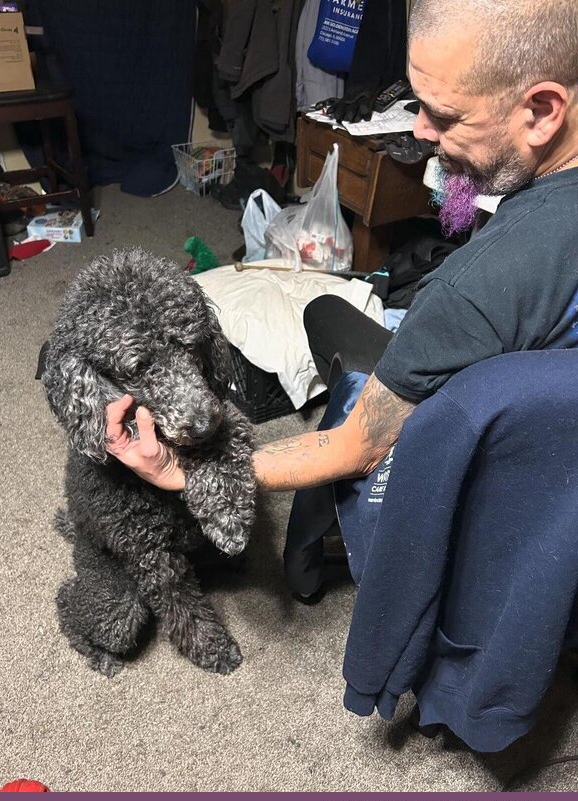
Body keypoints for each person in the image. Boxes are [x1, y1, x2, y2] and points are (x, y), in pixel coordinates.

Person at [106, 0, 578, 497]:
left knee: (325, 311)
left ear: (542, 110)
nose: (420, 130)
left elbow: (354, 446)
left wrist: (179, 471)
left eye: (444, 115)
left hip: (482, 467)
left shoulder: (471, 290)